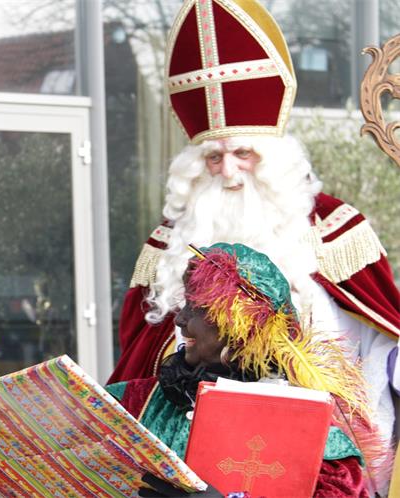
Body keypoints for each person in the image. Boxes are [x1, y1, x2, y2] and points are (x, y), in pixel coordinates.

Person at [108, 0, 400, 492]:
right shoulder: (169, 244)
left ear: (274, 157)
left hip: (320, 461)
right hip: (190, 463)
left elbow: (382, 344)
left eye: (243, 153)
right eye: (213, 158)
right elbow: (140, 364)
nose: (229, 173)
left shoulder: (335, 227)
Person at [109, 243, 383, 497]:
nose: (180, 319)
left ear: (239, 330)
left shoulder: (313, 434)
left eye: (196, 309)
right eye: (184, 306)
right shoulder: (134, 402)